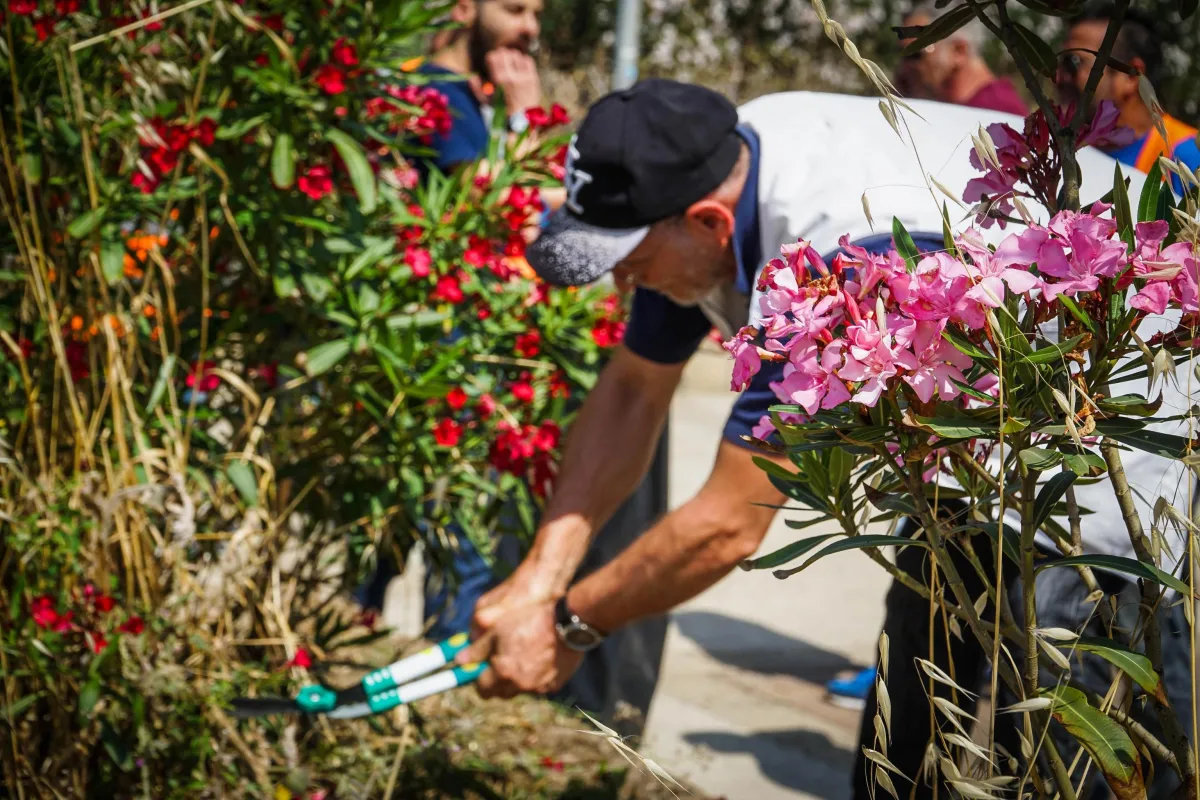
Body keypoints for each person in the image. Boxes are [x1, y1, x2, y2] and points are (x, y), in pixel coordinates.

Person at [451, 79, 1153, 789]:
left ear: (706, 224)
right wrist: (538, 581)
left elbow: (729, 523)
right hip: (965, 453)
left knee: (1057, 753)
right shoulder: (718, 167)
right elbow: (634, 388)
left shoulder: (838, 254)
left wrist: (568, 625)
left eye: (631, 264)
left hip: (1109, 456)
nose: (627, 287)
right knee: (906, 744)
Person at [1058, 3, 1200, 194]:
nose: (1059, 77)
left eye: (1073, 63)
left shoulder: (1188, 158)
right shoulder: (1072, 153)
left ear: (1131, 75)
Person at [897, 1, 1029, 116]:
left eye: (916, 55)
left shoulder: (998, 110)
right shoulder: (962, 110)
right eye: (902, 55)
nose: (906, 67)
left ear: (958, 51)